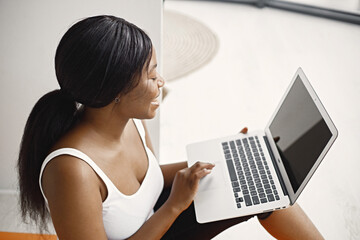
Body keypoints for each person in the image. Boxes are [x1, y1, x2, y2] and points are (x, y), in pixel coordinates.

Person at [18, 15, 324, 240]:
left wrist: (223, 159)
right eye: (152, 76)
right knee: (261, 189)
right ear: (115, 92)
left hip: (158, 218)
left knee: (265, 186)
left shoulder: (130, 121)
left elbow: (144, 184)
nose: (161, 82)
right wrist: (174, 206)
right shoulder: (72, 171)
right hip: (155, 225)